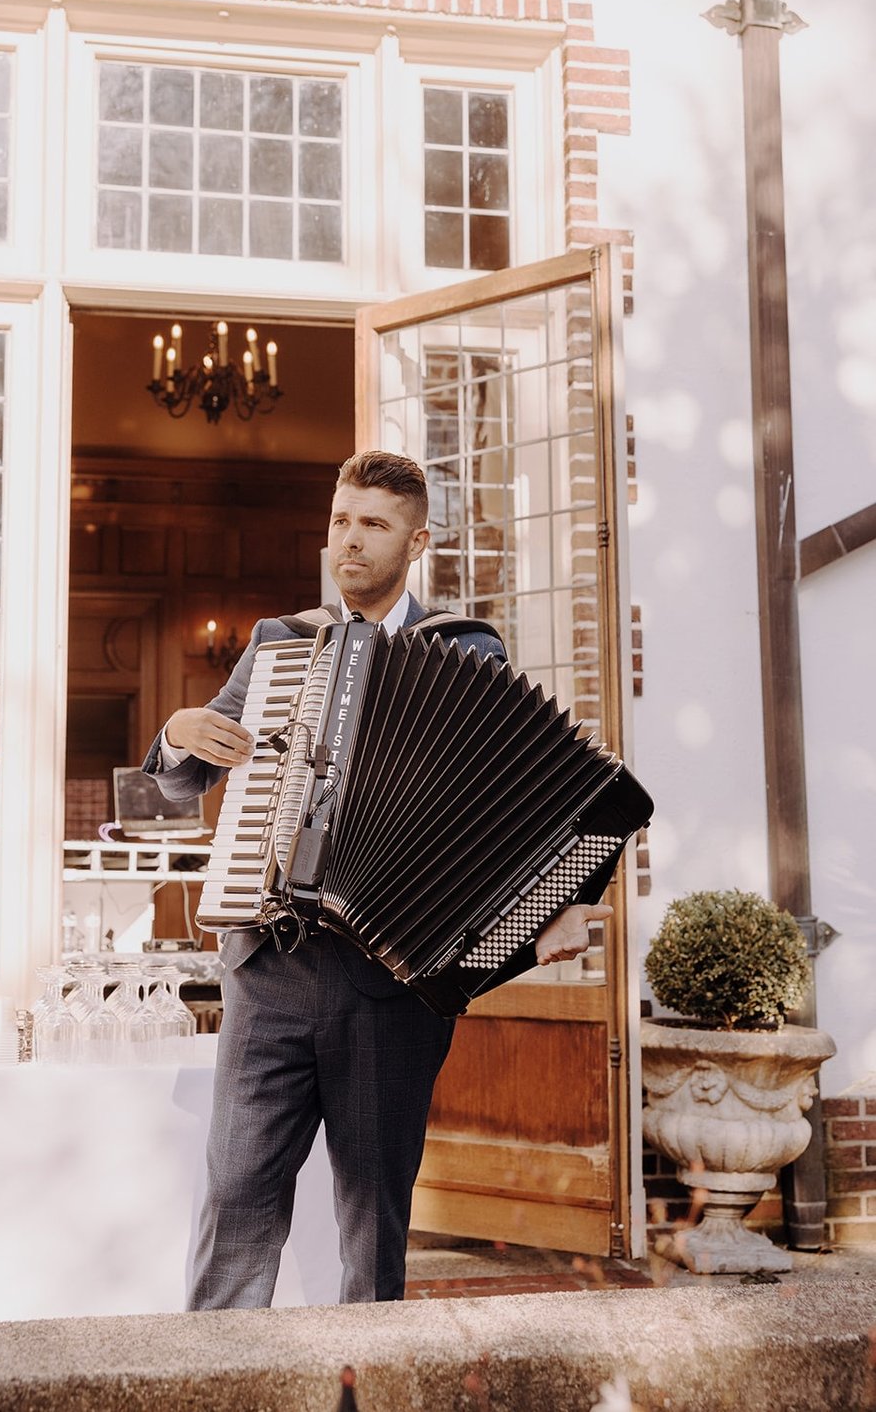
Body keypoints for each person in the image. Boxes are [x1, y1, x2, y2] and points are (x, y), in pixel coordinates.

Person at [142, 449, 612, 1309]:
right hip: (269, 970)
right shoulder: (279, 645)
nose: (349, 541)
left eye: (373, 525)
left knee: (372, 1233)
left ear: (417, 541)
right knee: (236, 1209)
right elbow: (186, 777)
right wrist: (176, 735)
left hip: (389, 984)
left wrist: (565, 899)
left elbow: (523, 799)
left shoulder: (467, 653)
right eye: (340, 521)